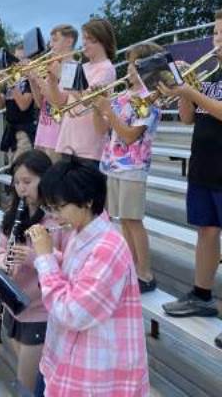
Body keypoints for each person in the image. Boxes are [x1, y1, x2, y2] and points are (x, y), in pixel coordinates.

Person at [30, 157, 149, 396]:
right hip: (74, 357)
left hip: (95, 371)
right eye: (50, 208)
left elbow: (73, 313)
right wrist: (52, 255)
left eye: (59, 207)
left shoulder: (108, 247)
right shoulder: (81, 231)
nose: (53, 215)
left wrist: (45, 259)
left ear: (87, 201)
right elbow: (79, 276)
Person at [157, 10, 222, 342]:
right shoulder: (211, 73)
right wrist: (182, 90)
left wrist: (193, 92)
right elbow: (187, 118)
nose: (217, 41)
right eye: (215, 34)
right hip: (204, 166)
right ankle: (201, 294)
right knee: (206, 232)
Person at [92, 42, 163, 293]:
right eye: (130, 63)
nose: (129, 69)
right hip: (112, 165)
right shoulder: (122, 97)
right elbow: (101, 129)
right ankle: (131, 268)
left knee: (134, 220)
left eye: (134, 64)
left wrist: (108, 111)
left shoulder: (150, 100)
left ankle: (145, 273)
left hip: (133, 167)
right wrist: (95, 104)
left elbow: (130, 136)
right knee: (122, 220)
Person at [0, 150, 69, 394]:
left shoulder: (57, 219)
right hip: (15, 305)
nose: (21, 189)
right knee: (33, 379)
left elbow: (69, 263)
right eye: (17, 182)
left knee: (26, 384)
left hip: (40, 311)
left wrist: (34, 257)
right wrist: (5, 262)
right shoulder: (14, 215)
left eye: (28, 182)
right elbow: (0, 252)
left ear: (45, 179)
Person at [49, 18, 117, 167]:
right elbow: (60, 102)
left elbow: (88, 100)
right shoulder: (82, 66)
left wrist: (61, 76)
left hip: (88, 148)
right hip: (67, 141)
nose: (84, 43)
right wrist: (52, 80)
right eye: (84, 38)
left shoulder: (106, 68)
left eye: (89, 39)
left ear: (102, 41)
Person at [28, 25, 79, 163]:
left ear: (69, 41)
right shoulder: (53, 66)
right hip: (43, 134)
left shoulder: (72, 69)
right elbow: (40, 104)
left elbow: (59, 104)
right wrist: (32, 80)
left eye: (55, 40)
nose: (51, 45)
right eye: (51, 41)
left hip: (58, 140)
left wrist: (39, 79)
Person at [0, 45, 36, 163]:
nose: (17, 62)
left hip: (24, 133)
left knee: (21, 168)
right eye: (16, 58)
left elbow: (24, 106)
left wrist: (11, 83)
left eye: (22, 58)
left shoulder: (30, 80)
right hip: (11, 132)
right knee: (13, 169)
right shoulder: (11, 80)